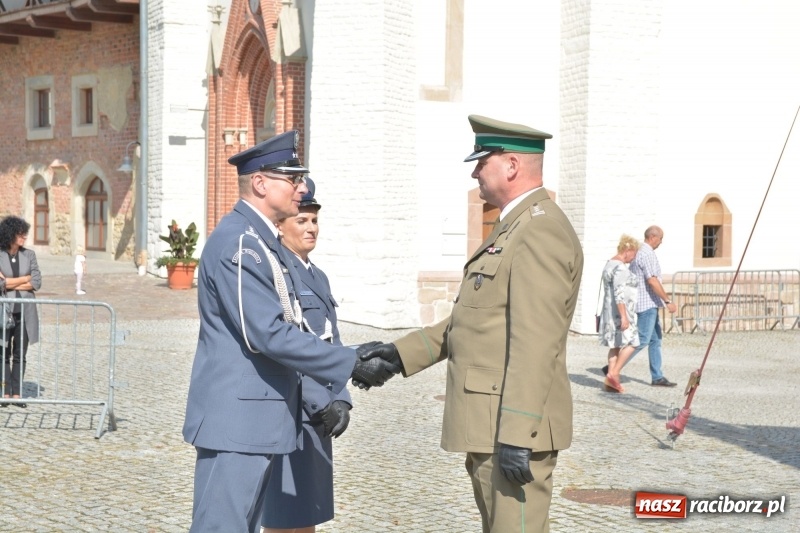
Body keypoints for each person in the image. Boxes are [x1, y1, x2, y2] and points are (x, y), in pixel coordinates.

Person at [355, 115, 584, 533]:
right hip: (490, 424)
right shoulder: (514, 227)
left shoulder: (539, 231)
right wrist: (398, 355)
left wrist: (517, 432)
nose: (475, 171)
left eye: (482, 161)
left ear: (511, 166)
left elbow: (536, 343)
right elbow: (473, 320)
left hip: (511, 430)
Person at [182, 131, 392, 533]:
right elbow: (267, 334)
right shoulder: (239, 243)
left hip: (256, 423)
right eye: (290, 179)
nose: (299, 188)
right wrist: (350, 361)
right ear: (260, 183)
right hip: (237, 424)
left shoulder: (264, 242)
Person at [261, 178, 351, 533]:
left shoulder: (318, 275)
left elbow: (332, 342)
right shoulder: (278, 274)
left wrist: (341, 398)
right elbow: (288, 347)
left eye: (314, 220)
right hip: (294, 411)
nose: (311, 227)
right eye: (302, 220)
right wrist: (321, 401)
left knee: (309, 515)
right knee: (285, 515)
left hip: (321, 416)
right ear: (281, 226)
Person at [627, 225, 678, 386]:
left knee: (655, 340)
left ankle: (657, 376)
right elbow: (652, 280)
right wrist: (667, 301)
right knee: (642, 340)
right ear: (653, 237)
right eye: (660, 238)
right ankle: (613, 367)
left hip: (648, 302)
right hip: (647, 303)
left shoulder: (639, 252)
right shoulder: (647, 253)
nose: (661, 242)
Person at [0, 216, 41, 409]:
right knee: (2, 353)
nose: (24, 236)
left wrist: (8, 282)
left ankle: (17, 393)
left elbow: (37, 282)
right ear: (10, 234)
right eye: (20, 233)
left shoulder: (29, 255)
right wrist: (23, 279)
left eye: (25, 232)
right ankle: (4, 392)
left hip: (25, 311)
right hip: (4, 312)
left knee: (19, 353)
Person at [597, 234, 640, 393]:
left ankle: (611, 381)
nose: (633, 258)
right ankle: (613, 374)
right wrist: (624, 317)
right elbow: (619, 293)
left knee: (615, 345)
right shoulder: (620, 267)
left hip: (609, 312)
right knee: (634, 342)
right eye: (634, 253)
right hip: (620, 313)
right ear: (627, 250)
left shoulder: (609, 264)